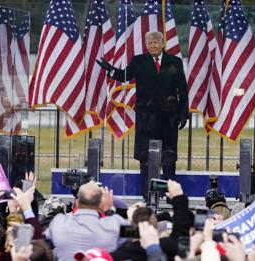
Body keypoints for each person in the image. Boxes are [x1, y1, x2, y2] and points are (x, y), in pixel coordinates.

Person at [97, 31, 189, 199]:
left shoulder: (174, 62)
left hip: (168, 119)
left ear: (162, 43)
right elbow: (124, 76)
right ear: (146, 45)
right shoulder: (139, 61)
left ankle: (171, 195)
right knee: (145, 158)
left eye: (155, 42)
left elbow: (182, 89)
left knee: (168, 159)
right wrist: (110, 70)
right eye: (149, 43)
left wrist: (184, 113)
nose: (152, 45)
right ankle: (148, 195)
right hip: (146, 119)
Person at [45, 181, 127, 260]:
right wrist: (109, 211)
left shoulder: (59, 222)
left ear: (77, 203)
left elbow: (44, 239)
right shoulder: (116, 224)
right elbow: (136, 235)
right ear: (101, 204)